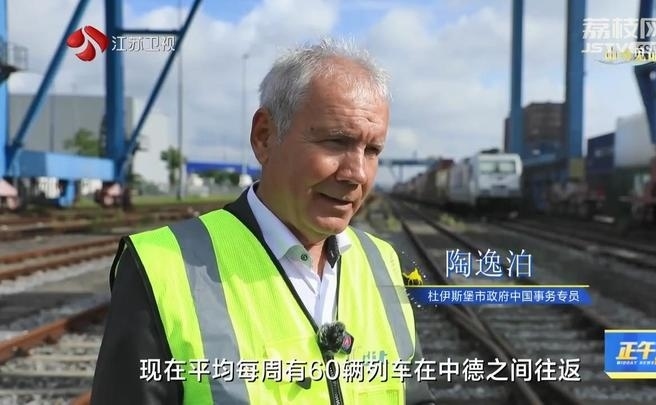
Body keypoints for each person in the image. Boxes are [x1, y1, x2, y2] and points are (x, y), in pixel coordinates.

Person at [90, 38, 436, 405]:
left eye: (372, 150)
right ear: (265, 137)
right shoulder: (162, 267)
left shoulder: (384, 263)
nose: (357, 173)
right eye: (336, 142)